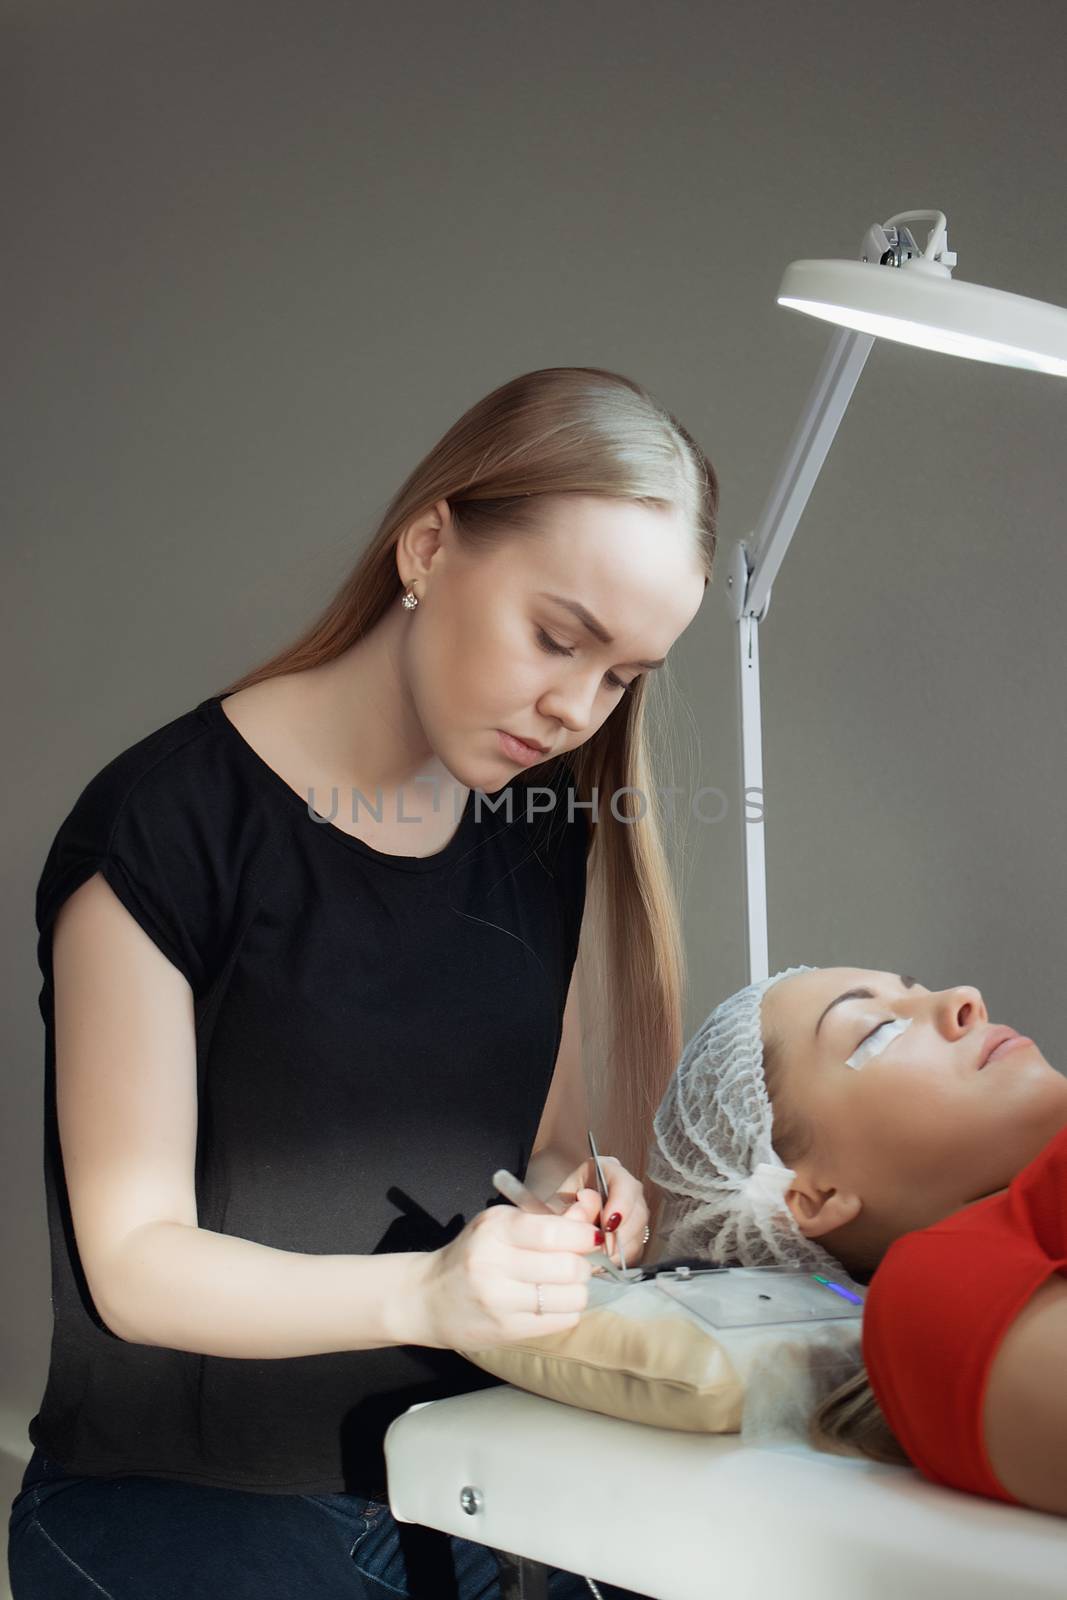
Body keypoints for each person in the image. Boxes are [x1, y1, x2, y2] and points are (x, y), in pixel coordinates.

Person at [7, 366, 715, 1599]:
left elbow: (539, 1145)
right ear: (430, 543)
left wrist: (574, 1202)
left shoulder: (535, 828)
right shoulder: (167, 826)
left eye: (620, 676)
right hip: (180, 1507)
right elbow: (134, 1264)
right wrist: (434, 1291)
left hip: (458, 1481)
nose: (573, 708)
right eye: (556, 637)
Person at [647, 964, 1067, 1518]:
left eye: (916, 991)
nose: (966, 997)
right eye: (877, 1032)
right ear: (814, 1196)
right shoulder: (930, 1295)